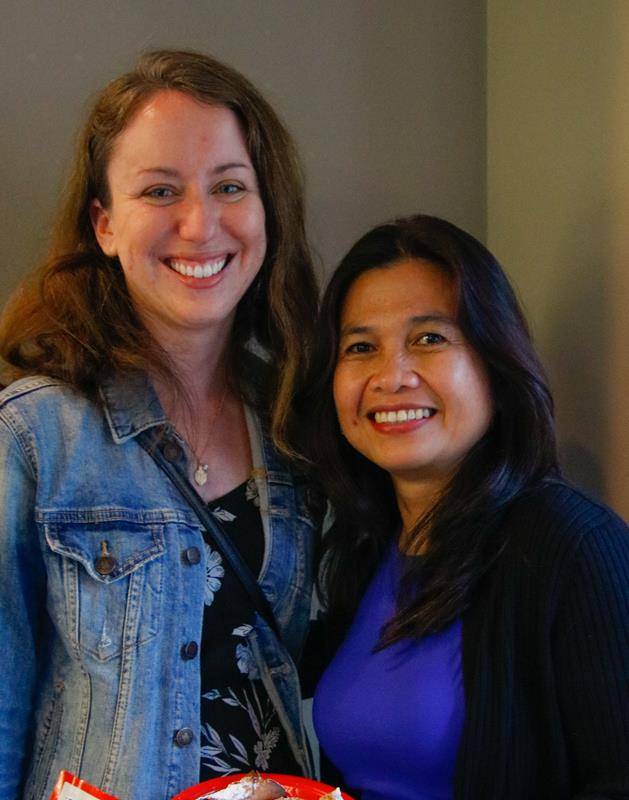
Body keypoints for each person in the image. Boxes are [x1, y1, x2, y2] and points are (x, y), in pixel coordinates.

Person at [0, 49, 322, 800]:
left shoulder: (301, 424)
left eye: (229, 187)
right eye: (160, 190)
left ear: (266, 209)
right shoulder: (34, 439)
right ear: (105, 225)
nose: (199, 223)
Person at [305, 215, 629, 800]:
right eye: (360, 347)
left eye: (429, 338)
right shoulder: (361, 549)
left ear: (495, 365)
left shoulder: (574, 547)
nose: (390, 376)